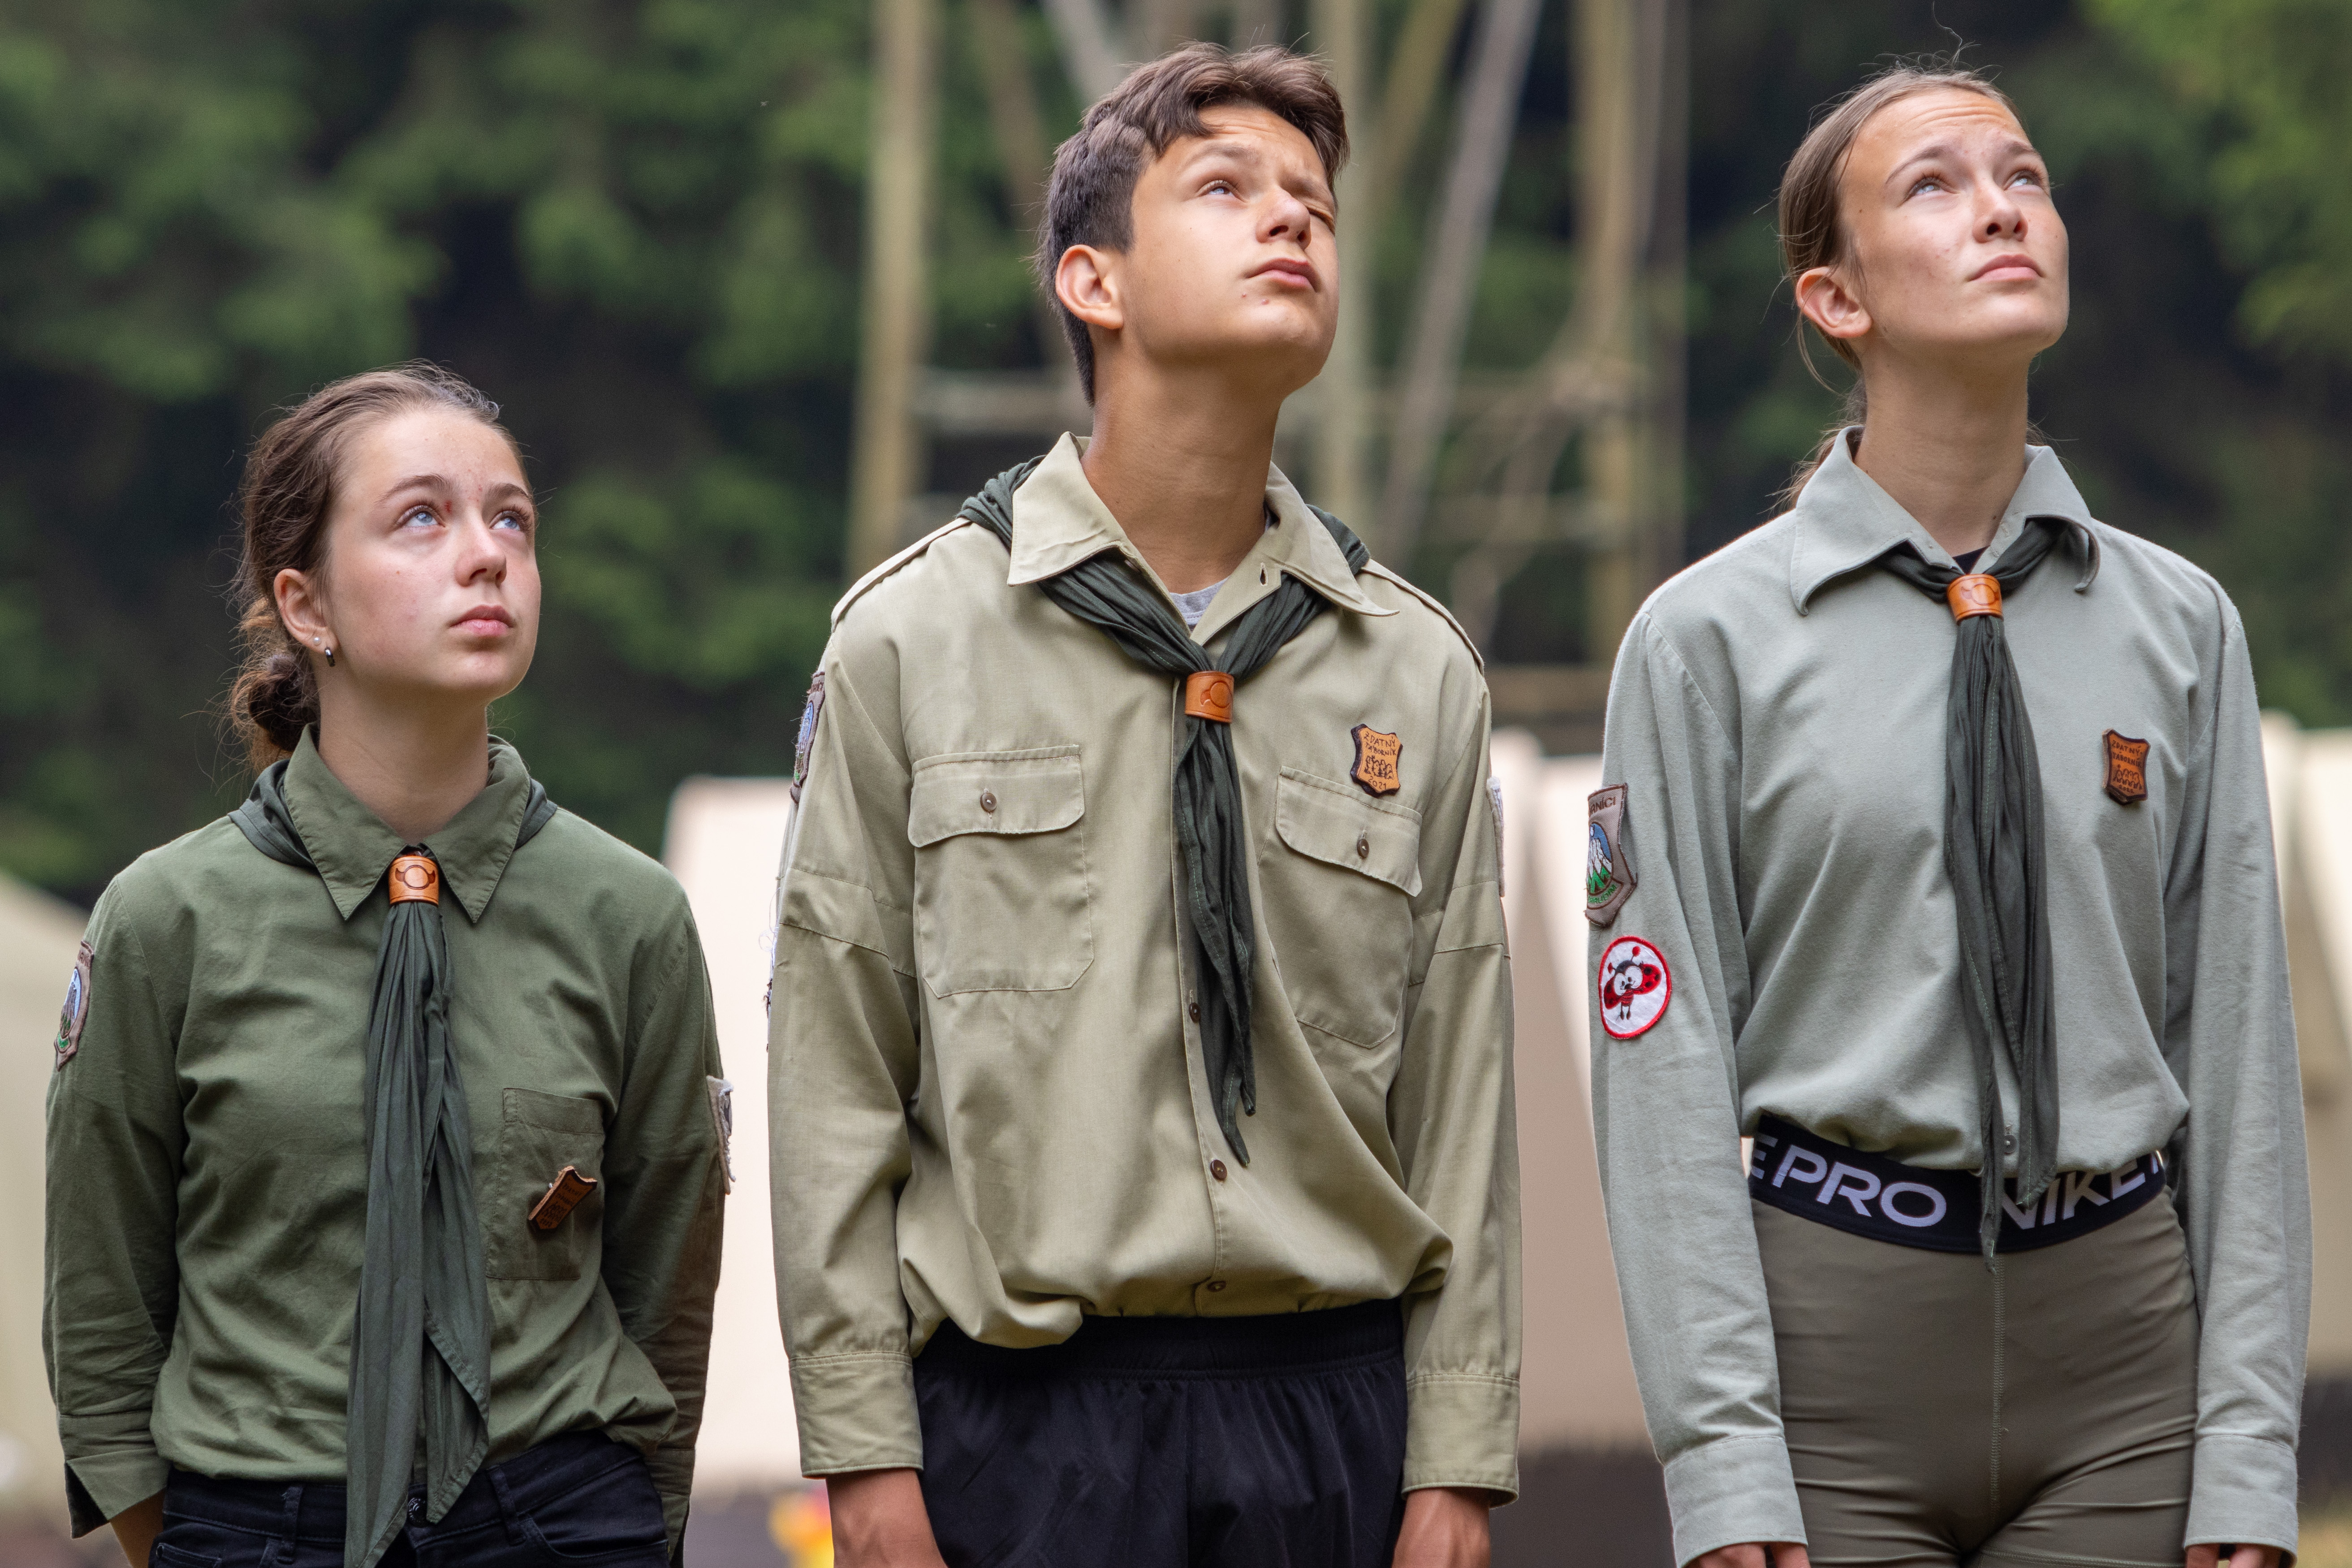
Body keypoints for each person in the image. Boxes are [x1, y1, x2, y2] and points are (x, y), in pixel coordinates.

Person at [769, 43, 1519, 1568]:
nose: (1291, 219)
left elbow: (1463, 1096)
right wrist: (862, 1454)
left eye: (1314, 203)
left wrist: (1456, 1458)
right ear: (1091, 281)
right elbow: (834, 1069)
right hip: (1018, 1428)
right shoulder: (912, 637)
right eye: (1226, 189)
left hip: (1330, 1420)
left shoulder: (1414, 667)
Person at [1586, 63, 2309, 1568]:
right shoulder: (1703, 642)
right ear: (1833, 299)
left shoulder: (2181, 626)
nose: (2000, 209)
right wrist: (1720, 1456)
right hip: (1829, 1364)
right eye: (1934, 185)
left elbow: (2236, 1045)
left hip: (2123, 1367)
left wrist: (2248, 1449)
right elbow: (1660, 1066)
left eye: (2022, 176)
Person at [44, 364, 730, 1568]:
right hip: (260, 1525)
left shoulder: (631, 917)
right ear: (306, 606)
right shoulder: (167, 920)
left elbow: (667, 1286)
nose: (486, 556)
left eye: (511, 519)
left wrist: (626, 1528)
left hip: (559, 1516)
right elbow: (102, 1299)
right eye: (421, 516)